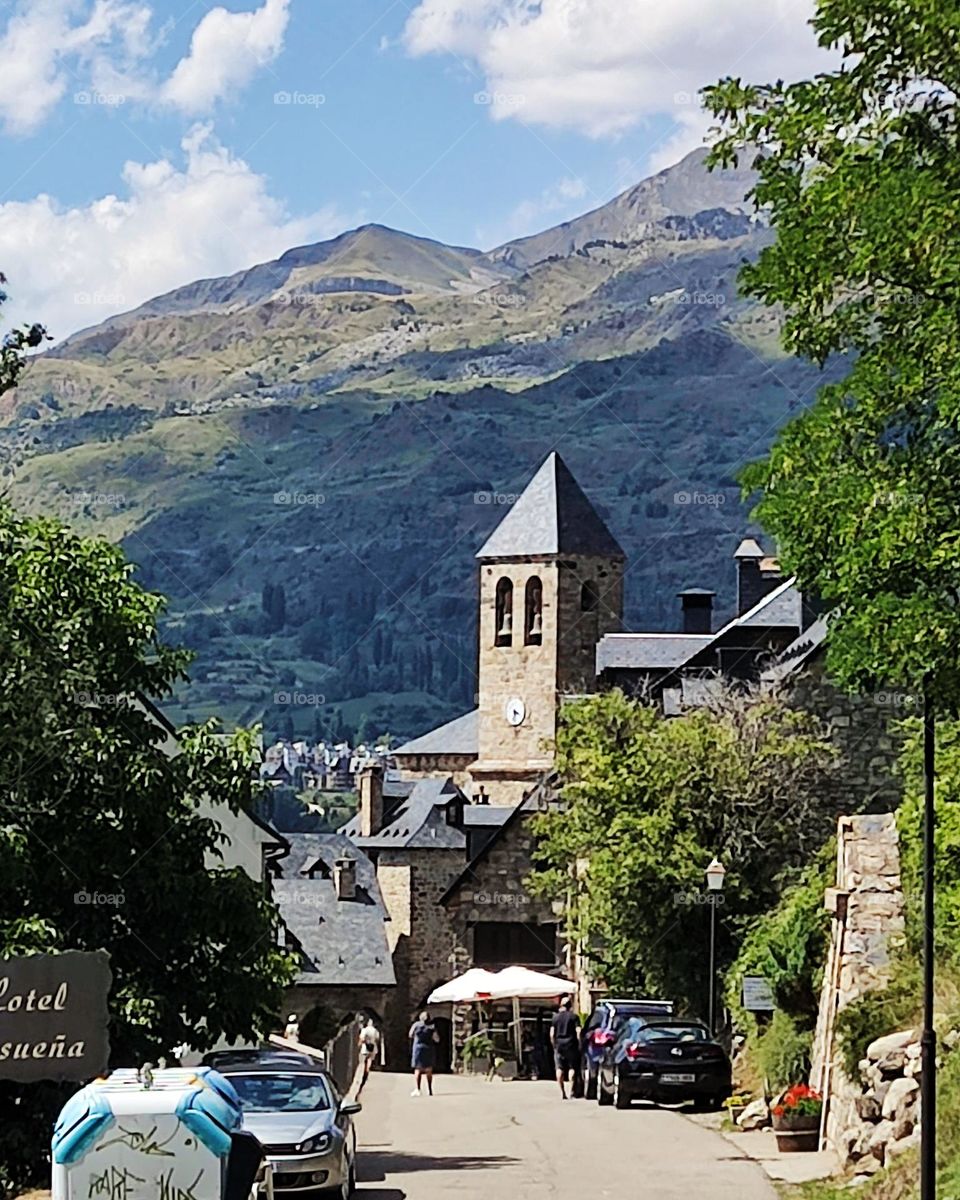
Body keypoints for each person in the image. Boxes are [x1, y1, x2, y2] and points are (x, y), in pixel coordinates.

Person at [550, 996, 581, 1100]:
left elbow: (552, 1034)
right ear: (570, 1005)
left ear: (561, 1005)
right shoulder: (574, 1017)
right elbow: (578, 1031)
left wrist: (554, 1044)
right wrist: (579, 1043)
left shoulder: (555, 1018)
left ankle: (562, 1092)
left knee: (559, 1068)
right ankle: (571, 1091)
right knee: (572, 1068)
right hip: (571, 1044)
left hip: (559, 1045)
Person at [409, 1010, 439, 1096]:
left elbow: (410, 1034)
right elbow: (436, 1039)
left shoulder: (416, 1025)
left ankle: (418, 1089)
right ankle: (429, 1089)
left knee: (418, 1069)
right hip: (429, 1048)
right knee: (429, 1070)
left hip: (418, 1048)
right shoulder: (432, 1027)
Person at [356, 1015, 381, 1095]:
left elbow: (362, 1038)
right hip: (373, 1047)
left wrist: (360, 1043)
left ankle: (364, 1072)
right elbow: (377, 1039)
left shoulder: (365, 1030)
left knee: (364, 1060)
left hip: (365, 1047)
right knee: (370, 1059)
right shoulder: (375, 1031)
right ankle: (368, 1070)